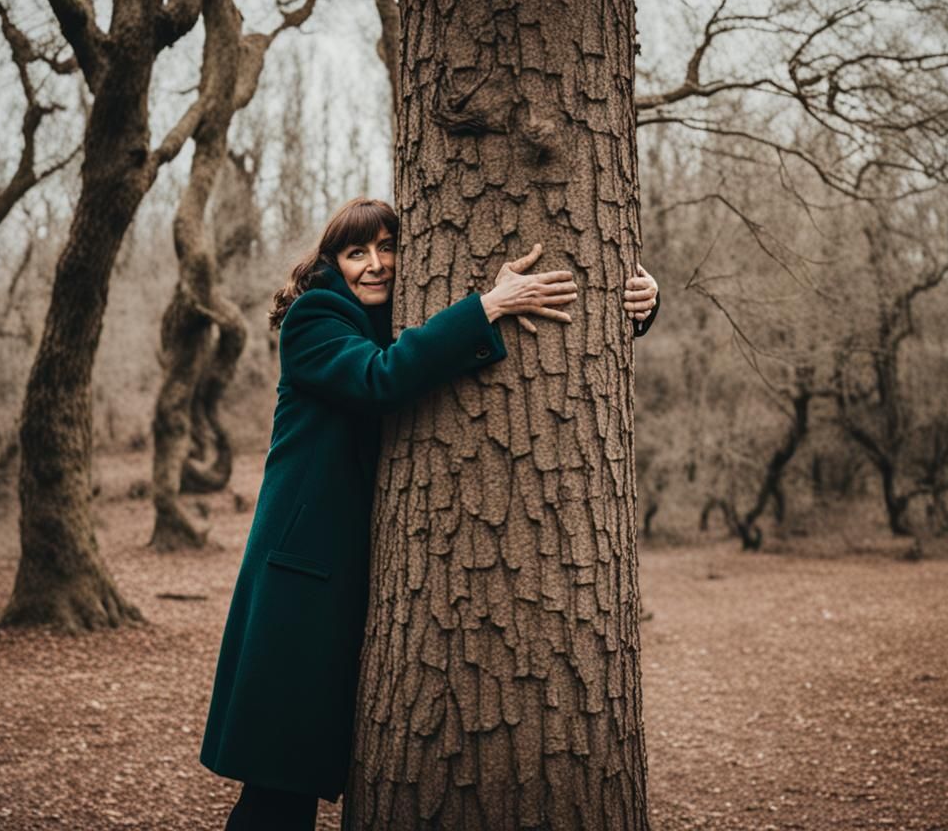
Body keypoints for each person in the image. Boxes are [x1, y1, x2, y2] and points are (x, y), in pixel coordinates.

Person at [200, 197, 659, 830]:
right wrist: (486, 307)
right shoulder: (316, 319)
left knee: (295, 783)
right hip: (300, 582)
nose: (376, 265)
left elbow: (530, 350)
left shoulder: (389, 317)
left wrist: (636, 306)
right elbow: (379, 379)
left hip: (345, 577)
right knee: (278, 793)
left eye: (388, 247)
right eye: (356, 252)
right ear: (331, 262)